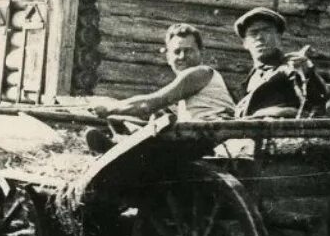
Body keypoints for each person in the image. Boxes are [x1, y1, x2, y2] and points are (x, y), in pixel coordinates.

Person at [86, 23, 234, 152]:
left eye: (188, 50)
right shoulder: (185, 93)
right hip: (205, 139)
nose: (182, 56)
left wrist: (109, 108)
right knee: (151, 120)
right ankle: (119, 144)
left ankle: (118, 147)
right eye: (177, 52)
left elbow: (148, 104)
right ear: (168, 58)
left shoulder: (200, 73)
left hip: (221, 144)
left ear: (201, 53)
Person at [233, 7, 329, 118]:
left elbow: (318, 103)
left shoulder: (292, 65)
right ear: (245, 43)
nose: (260, 37)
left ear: (278, 37)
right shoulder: (249, 80)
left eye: (266, 31)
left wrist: (308, 73)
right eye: (253, 33)